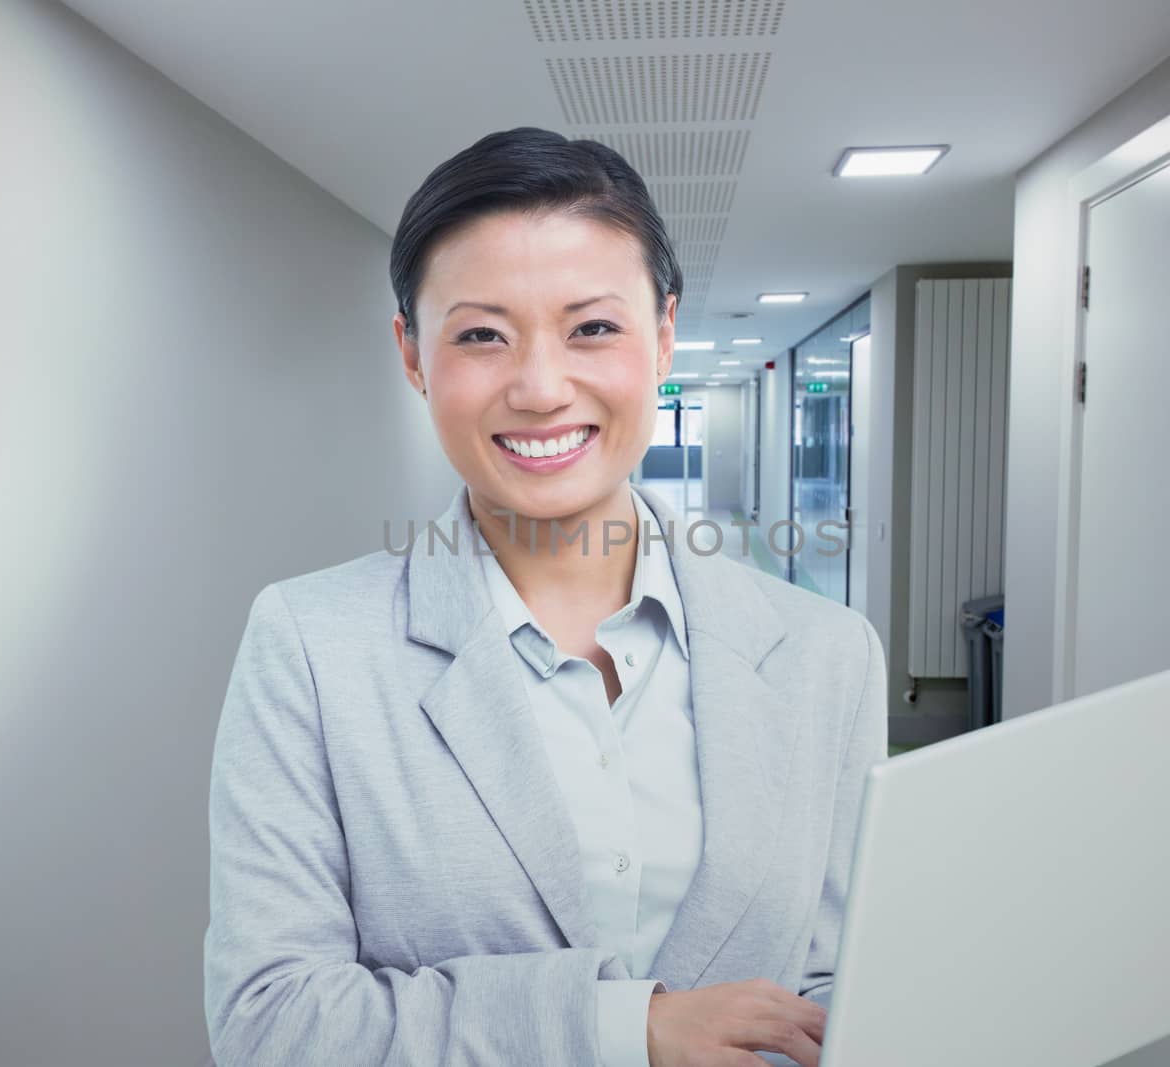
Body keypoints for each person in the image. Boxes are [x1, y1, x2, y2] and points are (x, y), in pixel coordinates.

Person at [203, 127, 888, 1067]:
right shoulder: (312, 647)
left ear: (664, 336)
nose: (538, 386)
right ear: (412, 355)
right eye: (482, 334)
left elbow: (838, 986)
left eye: (592, 327)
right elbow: (271, 1021)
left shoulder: (827, 653)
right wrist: (624, 1031)